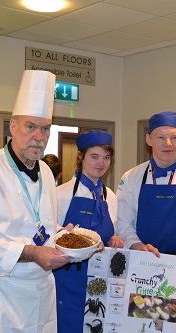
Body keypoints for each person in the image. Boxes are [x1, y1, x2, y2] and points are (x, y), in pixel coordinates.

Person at [0, 70, 71, 332]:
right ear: (13, 126)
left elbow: (42, 225)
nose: (39, 136)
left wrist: (62, 237)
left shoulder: (44, 170)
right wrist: (32, 252)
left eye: (45, 129)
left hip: (41, 289)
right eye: (31, 126)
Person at [53, 130, 124, 333]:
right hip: (68, 281)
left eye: (106, 157)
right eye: (94, 156)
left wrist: (115, 239)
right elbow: (50, 237)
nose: (101, 163)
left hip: (100, 282)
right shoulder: (61, 194)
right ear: (80, 156)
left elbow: (113, 232)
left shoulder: (109, 196)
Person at [116, 111, 176, 261]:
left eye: (174, 138)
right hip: (140, 259)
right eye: (161, 137)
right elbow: (123, 222)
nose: (168, 144)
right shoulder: (130, 178)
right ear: (148, 139)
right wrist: (137, 245)